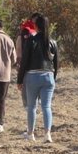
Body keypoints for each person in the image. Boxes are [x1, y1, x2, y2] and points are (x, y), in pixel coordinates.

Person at [18, 13, 59, 142]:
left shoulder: (31, 40)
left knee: (32, 107)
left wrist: (20, 79)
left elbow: (24, 61)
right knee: (46, 106)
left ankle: (31, 134)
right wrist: (53, 78)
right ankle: (47, 134)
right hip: (49, 76)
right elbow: (56, 64)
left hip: (33, 76)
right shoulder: (53, 42)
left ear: (36, 26)